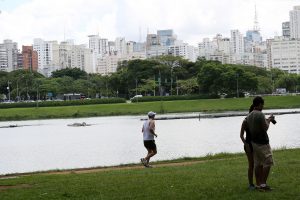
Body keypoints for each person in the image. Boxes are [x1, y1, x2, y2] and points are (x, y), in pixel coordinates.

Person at [246, 96, 275, 191]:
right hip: (263, 142)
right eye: (262, 104)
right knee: (268, 161)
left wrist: (266, 120)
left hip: (254, 143)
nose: (263, 106)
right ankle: (263, 184)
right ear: (259, 104)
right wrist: (269, 120)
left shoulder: (249, 116)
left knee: (258, 164)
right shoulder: (260, 114)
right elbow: (265, 128)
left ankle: (258, 184)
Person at [240, 104, 255, 190]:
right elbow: (241, 135)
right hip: (249, 145)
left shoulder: (257, 120)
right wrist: (246, 145)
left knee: (259, 164)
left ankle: (260, 183)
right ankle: (251, 184)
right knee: (251, 164)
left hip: (257, 144)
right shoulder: (245, 121)